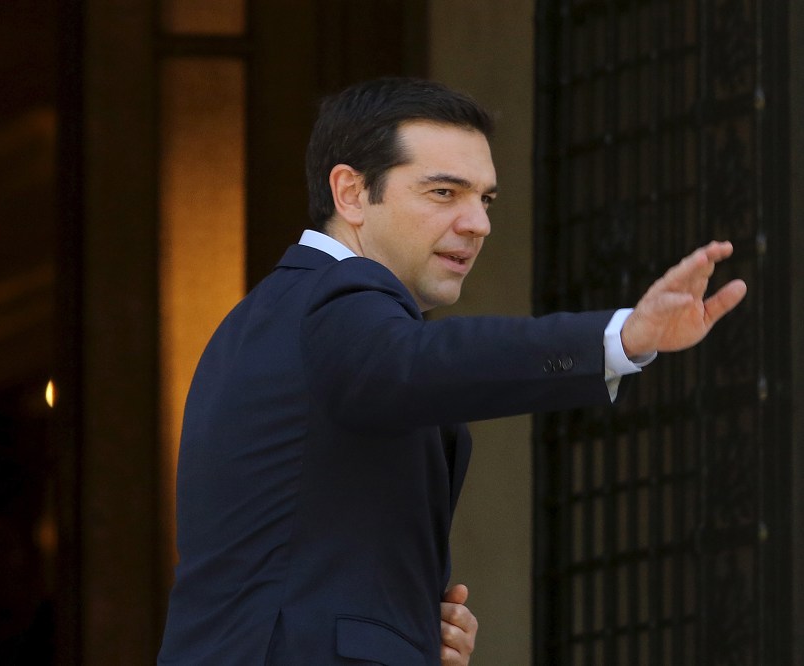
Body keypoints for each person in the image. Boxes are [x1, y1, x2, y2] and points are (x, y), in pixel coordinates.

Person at [157, 77, 747, 665]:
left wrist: (407, 628)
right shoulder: (331, 301)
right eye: (444, 192)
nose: (478, 224)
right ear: (351, 193)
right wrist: (620, 337)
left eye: (485, 199)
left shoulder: (273, 315)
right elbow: (422, 360)